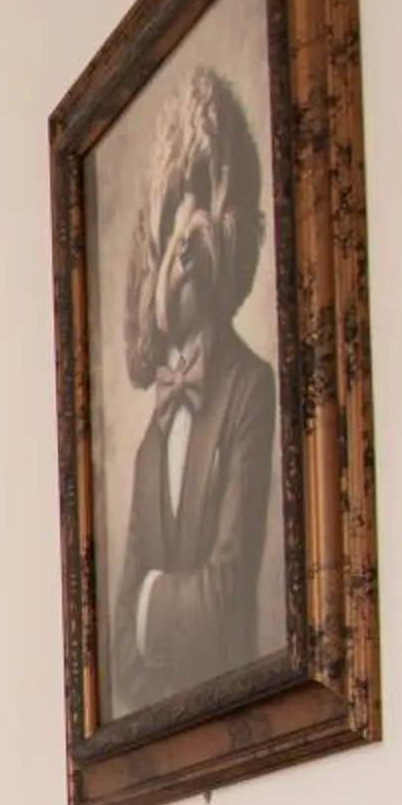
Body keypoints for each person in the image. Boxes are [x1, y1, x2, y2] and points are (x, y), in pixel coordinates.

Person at [107, 62, 277, 718]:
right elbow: (119, 648)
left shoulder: (249, 390)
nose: (187, 236)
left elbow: (228, 594)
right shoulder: (152, 443)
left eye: (202, 200)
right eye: (174, 207)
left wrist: (151, 600)